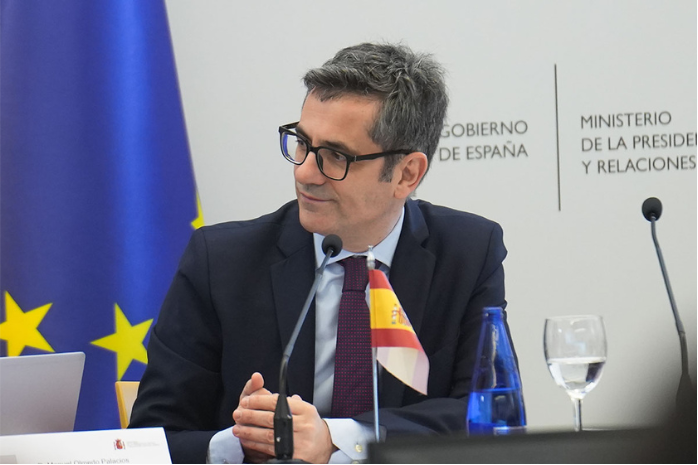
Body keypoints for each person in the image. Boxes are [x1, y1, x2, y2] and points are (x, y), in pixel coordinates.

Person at [129, 42, 512, 464]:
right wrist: (241, 442)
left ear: (407, 174)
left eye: (336, 156)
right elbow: (150, 439)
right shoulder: (220, 262)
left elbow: (490, 417)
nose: (304, 172)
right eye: (302, 143)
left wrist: (337, 438)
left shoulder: (468, 253)